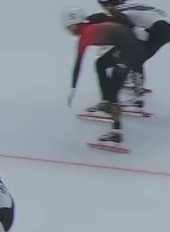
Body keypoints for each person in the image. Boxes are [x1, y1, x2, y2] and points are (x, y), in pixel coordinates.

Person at [61, 8, 144, 149]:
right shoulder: (92, 26)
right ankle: (107, 102)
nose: (69, 32)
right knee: (100, 64)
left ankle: (116, 132)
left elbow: (78, 65)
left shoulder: (84, 36)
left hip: (129, 50)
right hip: (130, 46)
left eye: (69, 29)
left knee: (113, 91)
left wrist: (73, 87)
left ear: (74, 26)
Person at [95, 0, 170, 100]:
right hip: (168, 26)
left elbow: (132, 32)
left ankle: (135, 90)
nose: (107, 8)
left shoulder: (118, 12)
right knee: (138, 56)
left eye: (107, 5)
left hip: (159, 27)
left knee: (134, 55)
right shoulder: (131, 5)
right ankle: (136, 84)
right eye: (104, 6)